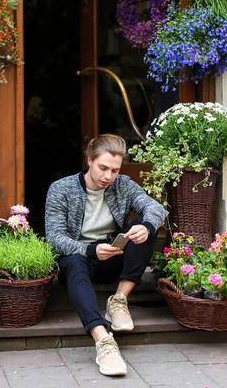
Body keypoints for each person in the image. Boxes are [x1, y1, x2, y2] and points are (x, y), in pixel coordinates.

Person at [45, 134, 165, 377]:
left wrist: (147, 226)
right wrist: (90, 249)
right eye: (103, 168)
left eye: (114, 170)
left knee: (144, 226)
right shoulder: (61, 189)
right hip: (81, 257)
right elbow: (55, 238)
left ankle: (119, 299)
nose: (108, 177)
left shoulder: (123, 185)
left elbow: (155, 207)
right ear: (89, 160)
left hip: (113, 255)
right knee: (74, 262)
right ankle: (103, 341)